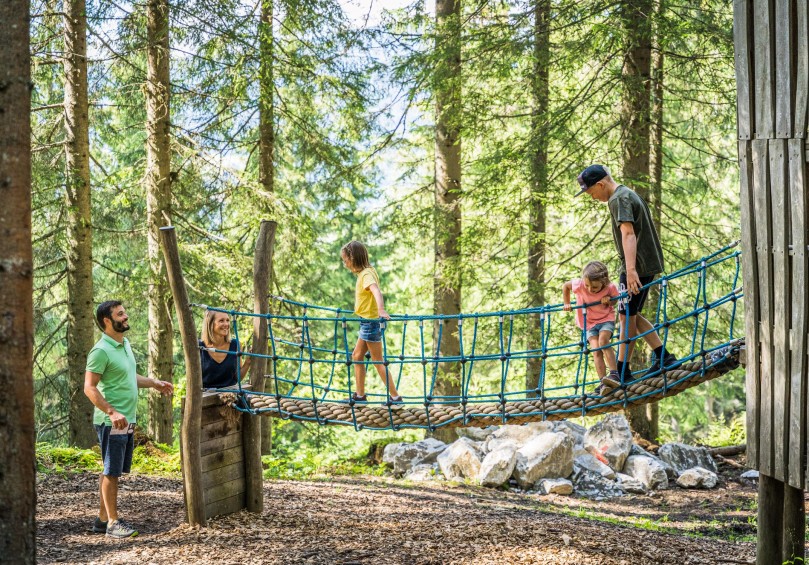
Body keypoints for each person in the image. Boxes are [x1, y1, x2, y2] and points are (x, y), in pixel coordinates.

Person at [576, 164, 677, 381]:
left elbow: (629, 233)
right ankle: (662, 356)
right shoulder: (625, 193)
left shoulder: (617, 200)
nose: (592, 197)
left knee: (625, 316)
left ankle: (622, 371)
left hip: (637, 266)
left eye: (591, 192)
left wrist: (631, 271)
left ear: (600, 184)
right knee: (630, 314)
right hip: (642, 263)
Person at [83, 300, 174, 539]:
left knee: (111, 469)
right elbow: (89, 388)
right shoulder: (100, 351)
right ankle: (113, 523)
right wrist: (112, 412)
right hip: (111, 421)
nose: (125, 317)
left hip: (127, 420)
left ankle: (102, 520)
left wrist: (154, 383)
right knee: (111, 471)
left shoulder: (124, 345)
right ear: (107, 321)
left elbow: (128, 377)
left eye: (124, 312)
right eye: (120, 314)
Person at [340, 240, 402, 404]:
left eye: (345, 260)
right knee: (357, 355)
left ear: (353, 258)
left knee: (377, 361)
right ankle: (360, 396)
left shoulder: (366, 275)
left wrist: (381, 310)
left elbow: (376, 290)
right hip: (366, 322)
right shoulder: (367, 271)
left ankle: (396, 397)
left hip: (370, 323)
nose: (345, 263)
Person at [562, 261, 621, 393]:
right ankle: (603, 382)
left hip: (606, 319)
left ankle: (614, 374)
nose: (589, 289)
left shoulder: (610, 287)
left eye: (594, 287)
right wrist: (566, 303)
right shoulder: (580, 284)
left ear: (604, 282)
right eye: (587, 285)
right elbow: (565, 286)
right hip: (588, 324)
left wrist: (609, 300)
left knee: (603, 341)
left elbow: (615, 299)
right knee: (596, 350)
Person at [200, 309, 251, 389]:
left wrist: (248, 362)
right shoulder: (199, 347)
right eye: (221, 321)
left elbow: (237, 378)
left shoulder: (235, 345)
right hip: (206, 396)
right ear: (210, 324)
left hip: (230, 395)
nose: (226, 324)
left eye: (227, 320)